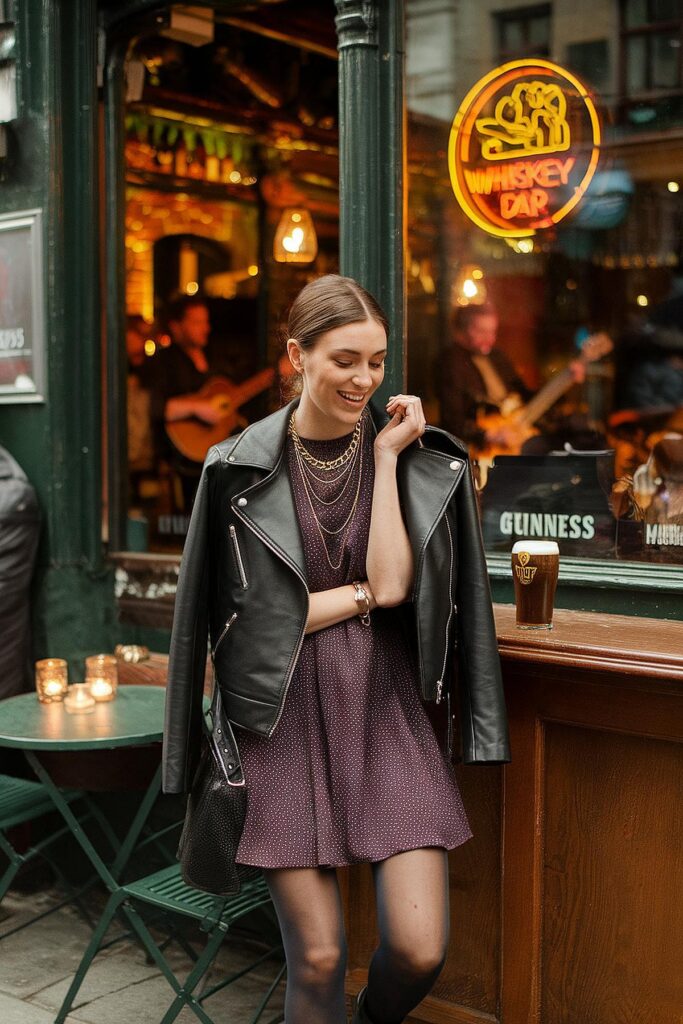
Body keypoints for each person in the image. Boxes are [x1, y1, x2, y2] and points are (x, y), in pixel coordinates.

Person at [162, 275, 509, 1024]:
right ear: (296, 355)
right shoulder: (237, 468)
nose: (364, 380)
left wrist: (385, 459)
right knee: (316, 959)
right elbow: (242, 630)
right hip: (278, 716)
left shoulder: (410, 459)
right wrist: (350, 600)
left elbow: (388, 586)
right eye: (344, 360)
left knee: (418, 948)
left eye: (377, 362)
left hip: (384, 707)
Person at [437, 302, 586, 452]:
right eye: (482, 331)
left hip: (515, 431)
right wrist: (490, 435)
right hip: (480, 449)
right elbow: (452, 420)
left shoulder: (497, 357)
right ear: (462, 330)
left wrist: (566, 380)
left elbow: (525, 395)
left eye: (492, 332)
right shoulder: (450, 362)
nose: (490, 338)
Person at [149, 295, 224, 511]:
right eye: (197, 322)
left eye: (206, 322)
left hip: (215, 452)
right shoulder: (164, 363)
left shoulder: (214, 358)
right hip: (183, 458)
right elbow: (158, 408)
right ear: (176, 326)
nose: (205, 328)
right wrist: (196, 408)